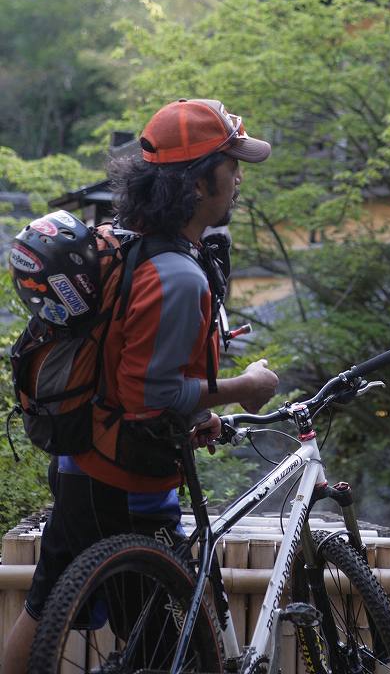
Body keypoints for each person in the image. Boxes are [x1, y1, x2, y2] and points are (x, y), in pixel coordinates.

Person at [4, 97, 280, 674]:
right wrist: (245, 386)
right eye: (232, 165)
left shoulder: (121, 241)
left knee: (44, 608)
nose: (239, 178)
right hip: (125, 485)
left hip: (84, 464)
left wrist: (196, 415)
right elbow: (149, 397)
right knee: (165, 651)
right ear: (199, 181)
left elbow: (125, 364)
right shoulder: (177, 275)